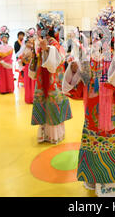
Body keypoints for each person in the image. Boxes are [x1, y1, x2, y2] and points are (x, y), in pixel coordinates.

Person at [62, 6, 115, 197]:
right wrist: (73, 69)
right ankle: (94, 178)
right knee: (94, 145)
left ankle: (112, 183)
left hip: (114, 114)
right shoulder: (89, 58)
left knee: (112, 144)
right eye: (98, 35)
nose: (101, 40)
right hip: (93, 116)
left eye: (106, 34)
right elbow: (79, 89)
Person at [31, 13, 72, 144]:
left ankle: (54, 135)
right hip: (43, 80)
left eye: (39, 28)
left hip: (53, 81)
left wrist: (46, 50)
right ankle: (45, 134)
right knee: (45, 103)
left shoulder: (54, 43)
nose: (37, 31)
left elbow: (57, 61)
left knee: (52, 105)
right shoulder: (42, 43)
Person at [17, 28, 36, 104]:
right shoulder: (24, 50)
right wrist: (23, 59)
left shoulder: (35, 50)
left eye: (31, 41)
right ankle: (29, 98)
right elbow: (20, 58)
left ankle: (34, 98)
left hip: (34, 67)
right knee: (28, 83)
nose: (29, 43)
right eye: (28, 41)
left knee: (34, 83)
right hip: (27, 68)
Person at [0, 26, 14, 94]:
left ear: (7, 39)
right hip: (1, 64)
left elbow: (10, 56)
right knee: (2, 77)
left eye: (5, 38)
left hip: (8, 64)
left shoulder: (10, 47)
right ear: (1, 39)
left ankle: (10, 89)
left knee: (9, 77)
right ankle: (3, 90)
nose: (4, 39)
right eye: (3, 38)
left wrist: (6, 62)